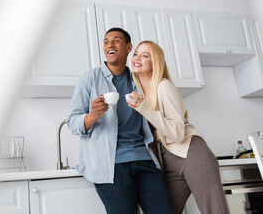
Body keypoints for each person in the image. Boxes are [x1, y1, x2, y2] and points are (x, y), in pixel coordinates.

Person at [67, 28, 174, 214]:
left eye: (116, 40)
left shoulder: (138, 79)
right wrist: (93, 115)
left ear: (128, 47)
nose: (109, 44)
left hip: (144, 159)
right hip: (110, 166)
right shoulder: (89, 79)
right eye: (106, 41)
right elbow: (72, 122)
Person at [126, 40, 229, 214]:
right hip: (165, 161)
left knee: (214, 210)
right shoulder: (137, 92)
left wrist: (145, 109)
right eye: (136, 54)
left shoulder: (163, 86)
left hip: (192, 154)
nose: (137, 58)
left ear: (155, 63)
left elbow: (178, 133)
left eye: (145, 55)